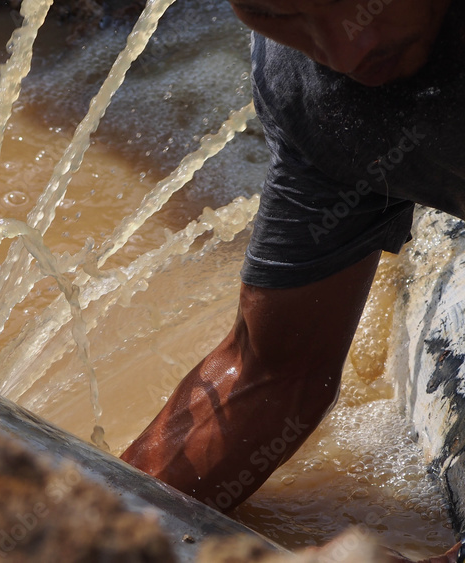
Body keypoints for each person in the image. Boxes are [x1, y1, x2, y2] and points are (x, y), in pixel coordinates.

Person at [120, 0, 464, 560]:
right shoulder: (310, 87)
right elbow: (277, 374)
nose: (346, 52)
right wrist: (93, 530)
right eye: (280, 14)